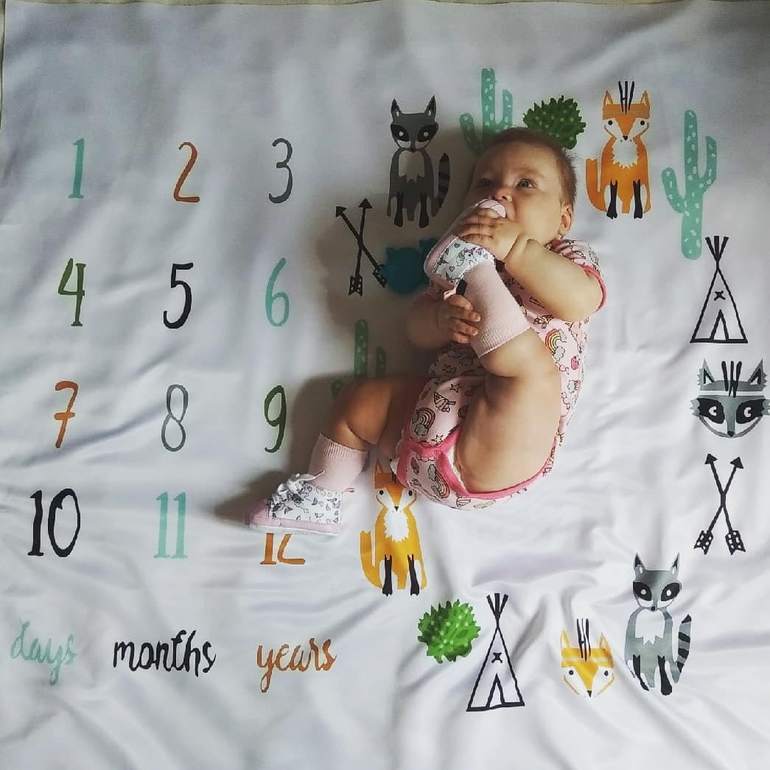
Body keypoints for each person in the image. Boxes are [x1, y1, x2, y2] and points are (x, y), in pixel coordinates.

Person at [248, 127, 607, 534]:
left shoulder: (567, 256)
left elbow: (581, 300)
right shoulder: (448, 270)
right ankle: (323, 494)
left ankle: (481, 276)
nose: (500, 193)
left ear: (563, 219)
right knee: (359, 403)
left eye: (525, 184)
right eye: (485, 183)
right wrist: (438, 321)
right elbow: (415, 331)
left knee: (532, 373)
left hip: (506, 445)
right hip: (425, 436)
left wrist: (518, 249)